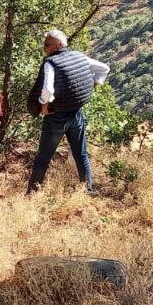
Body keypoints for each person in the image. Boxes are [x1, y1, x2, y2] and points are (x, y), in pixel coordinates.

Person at [26, 29, 110, 195]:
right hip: (76, 114)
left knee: (43, 159)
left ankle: (31, 194)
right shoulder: (80, 56)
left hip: (56, 117)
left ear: (58, 45)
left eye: (47, 45)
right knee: (81, 154)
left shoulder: (50, 63)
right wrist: (94, 85)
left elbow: (48, 89)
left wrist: (43, 104)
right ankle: (89, 190)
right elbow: (104, 68)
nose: (45, 49)